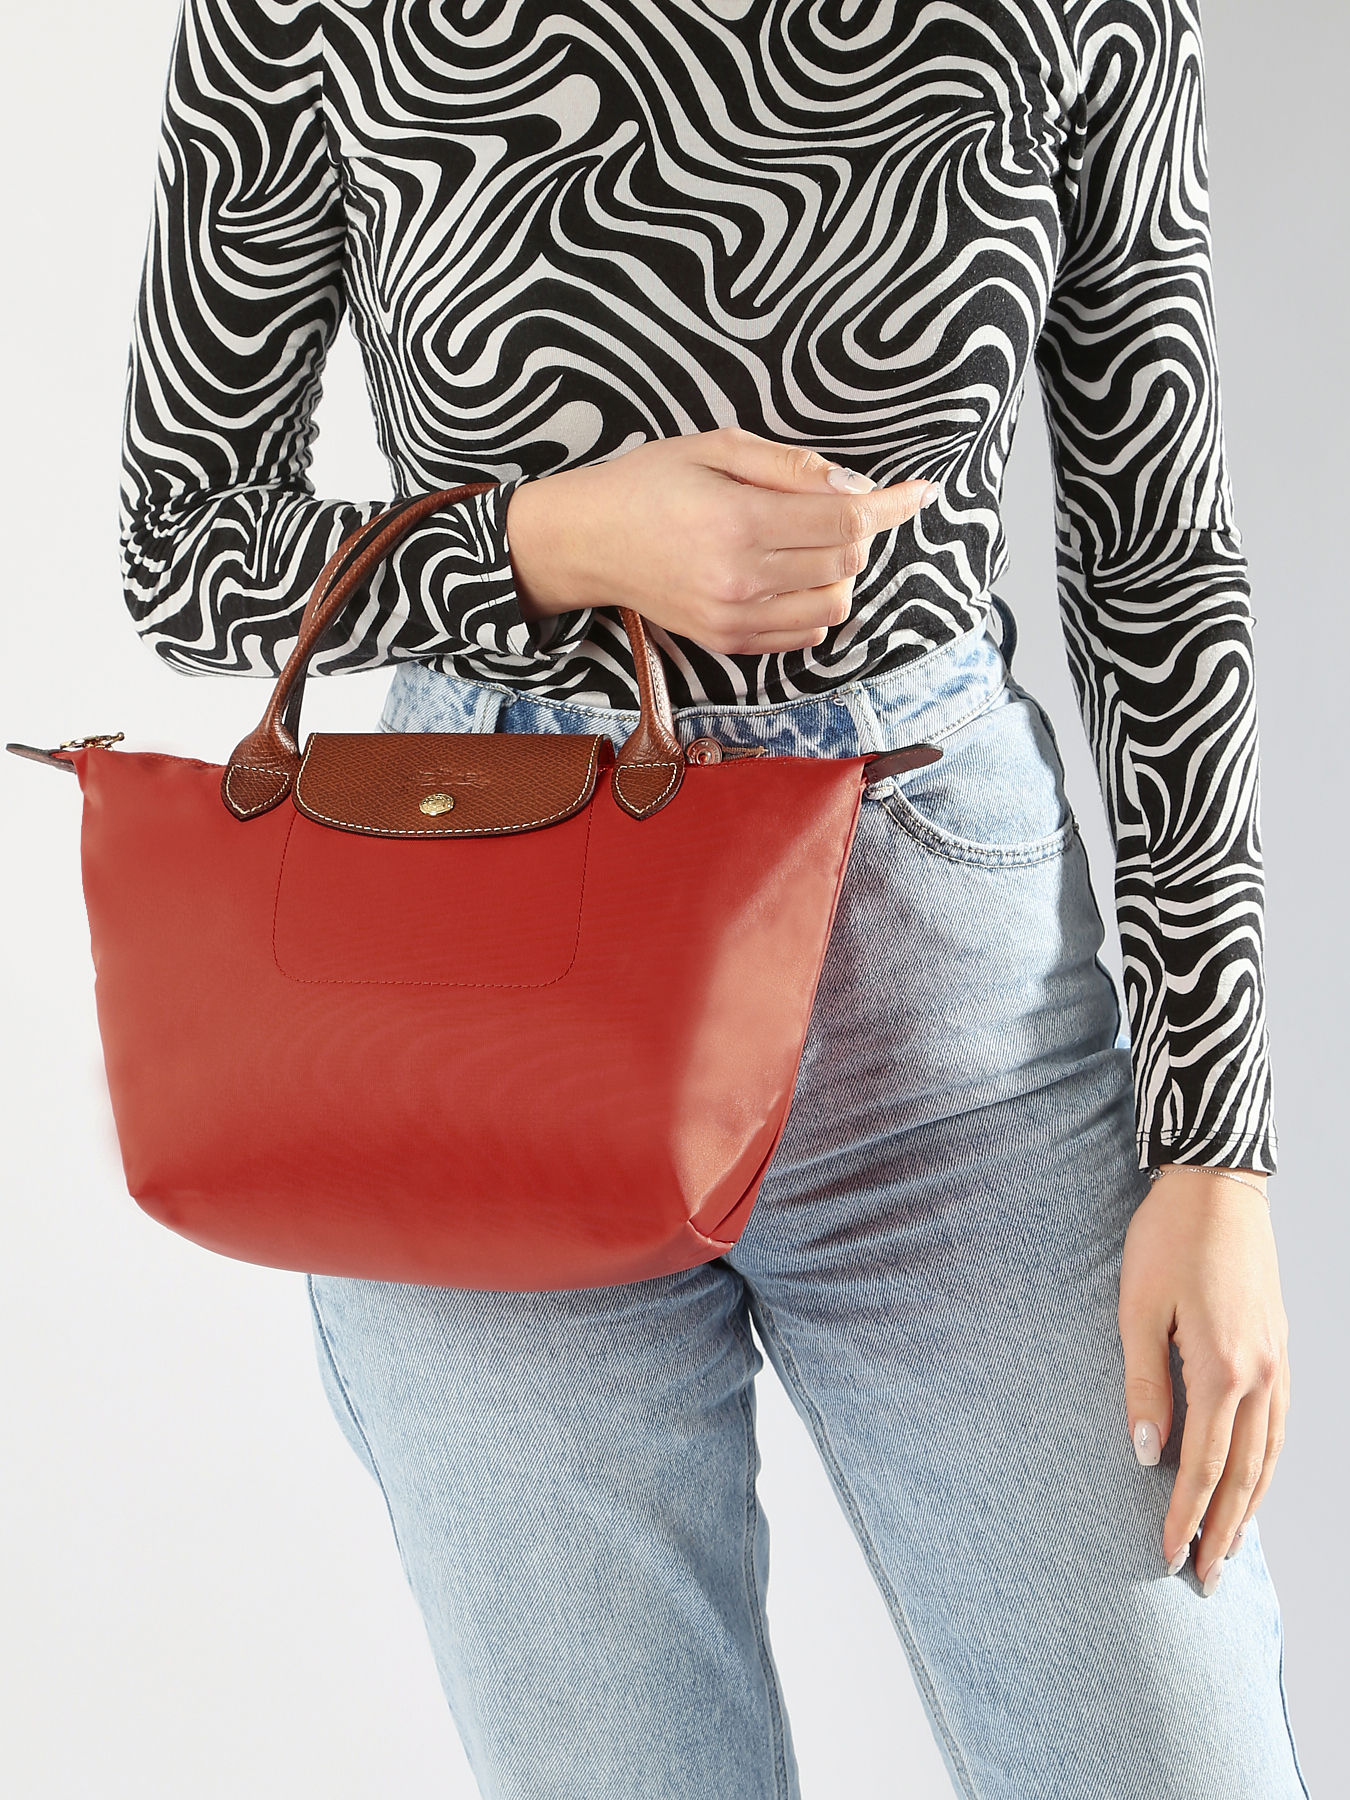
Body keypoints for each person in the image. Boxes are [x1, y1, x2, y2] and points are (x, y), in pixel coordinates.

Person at [118, 1, 1310, 1793]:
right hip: (479, 1009)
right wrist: (548, 543)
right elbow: (182, 542)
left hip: (949, 1026)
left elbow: (1157, 560)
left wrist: (1217, 1151)